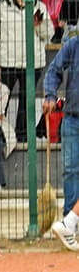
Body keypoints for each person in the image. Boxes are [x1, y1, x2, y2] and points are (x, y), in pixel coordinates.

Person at [0, 0, 52, 146]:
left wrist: (38, 25)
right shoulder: (2, 6)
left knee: (26, 100)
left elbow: (48, 34)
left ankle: (23, 138)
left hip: (32, 62)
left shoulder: (39, 6)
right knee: (1, 99)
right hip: (6, 61)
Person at [44, 33, 79, 219]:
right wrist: (50, 95)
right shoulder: (73, 44)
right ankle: (70, 220)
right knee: (71, 170)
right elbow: (53, 70)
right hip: (73, 117)